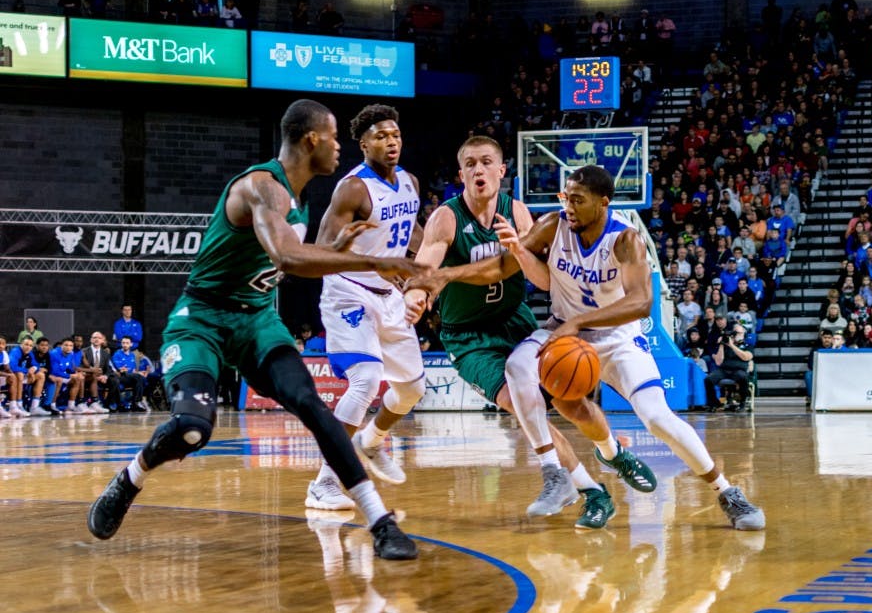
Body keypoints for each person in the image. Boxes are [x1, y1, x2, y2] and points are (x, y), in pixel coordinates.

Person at [87, 99, 425, 561]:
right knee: (191, 429)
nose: (339, 148)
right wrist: (373, 259)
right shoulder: (262, 187)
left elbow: (301, 262)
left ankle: (380, 522)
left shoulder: (301, 197)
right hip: (203, 319)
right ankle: (128, 481)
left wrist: (339, 248)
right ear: (312, 140)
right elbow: (289, 259)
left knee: (312, 403)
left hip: (256, 321)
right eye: (333, 138)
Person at [414, 164, 764, 531]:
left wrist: (580, 321)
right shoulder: (552, 225)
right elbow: (503, 266)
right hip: (565, 336)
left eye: (578, 200)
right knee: (521, 371)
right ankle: (558, 471)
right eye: (566, 197)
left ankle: (727, 492)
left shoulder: (626, 240)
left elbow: (642, 302)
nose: (568, 206)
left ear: (603, 203)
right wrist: (448, 275)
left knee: (658, 420)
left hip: (618, 340)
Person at [404, 137, 644, 529]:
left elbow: (547, 282)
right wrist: (415, 294)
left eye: (486, 162)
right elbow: (427, 266)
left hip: (516, 321)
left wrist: (518, 250)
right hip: (469, 336)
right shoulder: (446, 218)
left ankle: (612, 451)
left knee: (571, 402)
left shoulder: (517, 212)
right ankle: (584, 488)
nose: (478, 170)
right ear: (460, 173)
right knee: (518, 404)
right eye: (470, 164)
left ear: (502, 171)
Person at [304, 104, 428, 510]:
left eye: (395, 135)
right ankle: (324, 483)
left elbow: (414, 237)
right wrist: (354, 255)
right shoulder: (353, 188)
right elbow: (320, 249)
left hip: (388, 294)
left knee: (412, 389)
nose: (390, 142)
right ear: (363, 144)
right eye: (380, 137)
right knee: (366, 379)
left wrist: (424, 278)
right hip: (349, 290)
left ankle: (371, 440)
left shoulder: (409, 182)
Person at [704, 323, 754, 412]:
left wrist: (732, 346)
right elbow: (718, 362)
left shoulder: (748, 346)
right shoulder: (725, 345)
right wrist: (721, 345)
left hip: (739, 370)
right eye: (735, 332)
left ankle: (742, 403)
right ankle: (714, 403)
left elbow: (746, 357)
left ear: (744, 334)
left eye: (739, 333)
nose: (736, 335)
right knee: (708, 379)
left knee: (743, 377)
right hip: (724, 370)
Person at [78, 331, 116, 413]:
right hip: (88, 376)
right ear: (91, 340)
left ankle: (108, 404)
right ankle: (91, 402)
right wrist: (94, 372)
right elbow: (81, 366)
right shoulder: (84, 351)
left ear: (102, 340)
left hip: (101, 377)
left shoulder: (105, 353)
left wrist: (105, 376)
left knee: (114, 380)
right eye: (94, 337)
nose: (96, 339)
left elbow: (108, 369)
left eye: (99, 338)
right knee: (90, 377)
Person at [49, 337, 85, 413]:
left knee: (78, 379)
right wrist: (71, 376)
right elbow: (55, 372)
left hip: (63, 375)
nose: (68, 347)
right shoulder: (54, 354)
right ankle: (52, 405)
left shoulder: (71, 353)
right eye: (66, 345)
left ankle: (71, 406)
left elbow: (70, 367)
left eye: (71, 346)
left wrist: (77, 373)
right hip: (51, 375)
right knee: (59, 379)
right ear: (61, 346)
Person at [111, 336, 146, 411]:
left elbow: (132, 370)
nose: (125, 345)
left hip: (130, 377)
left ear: (131, 344)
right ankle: (137, 402)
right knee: (139, 378)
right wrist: (133, 372)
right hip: (120, 377)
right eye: (123, 343)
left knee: (142, 378)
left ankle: (135, 403)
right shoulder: (117, 354)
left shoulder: (132, 355)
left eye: (127, 343)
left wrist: (138, 372)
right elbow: (121, 370)